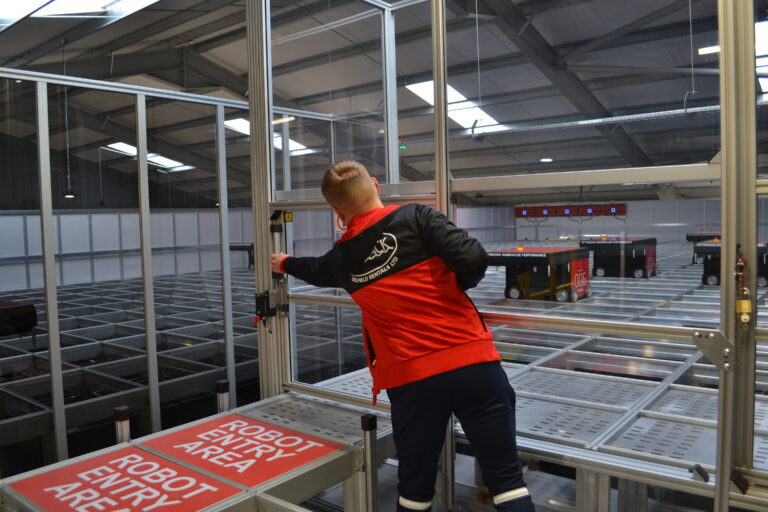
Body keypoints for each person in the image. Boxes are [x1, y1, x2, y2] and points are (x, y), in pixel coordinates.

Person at [271, 161, 534, 512]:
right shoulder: (418, 217)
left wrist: (284, 262)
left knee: (414, 490)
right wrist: (452, 290)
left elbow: (315, 270)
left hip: (412, 381)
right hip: (473, 363)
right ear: (375, 185)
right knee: (508, 483)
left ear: (337, 212)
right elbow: (473, 258)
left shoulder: (342, 258)